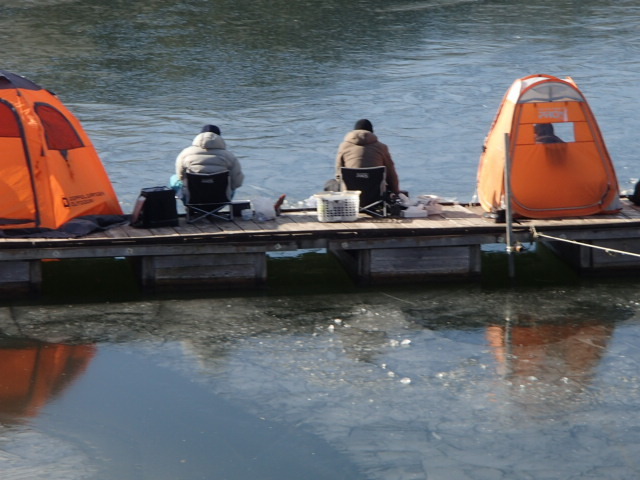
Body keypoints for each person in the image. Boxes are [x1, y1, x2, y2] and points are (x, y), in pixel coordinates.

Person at [170, 124, 244, 200]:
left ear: (199, 136)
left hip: (192, 200)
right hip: (221, 200)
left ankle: (188, 208)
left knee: (174, 178)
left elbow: (180, 176)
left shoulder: (185, 154)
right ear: (219, 137)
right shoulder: (229, 156)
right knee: (232, 182)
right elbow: (237, 182)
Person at [334, 119, 400, 194]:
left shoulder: (343, 147)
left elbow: (339, 175)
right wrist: (396, 192)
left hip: (351, 195)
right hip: (376, 194)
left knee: (330, 183)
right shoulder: (382, 147)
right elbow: (391, 175)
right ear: (371, 132)